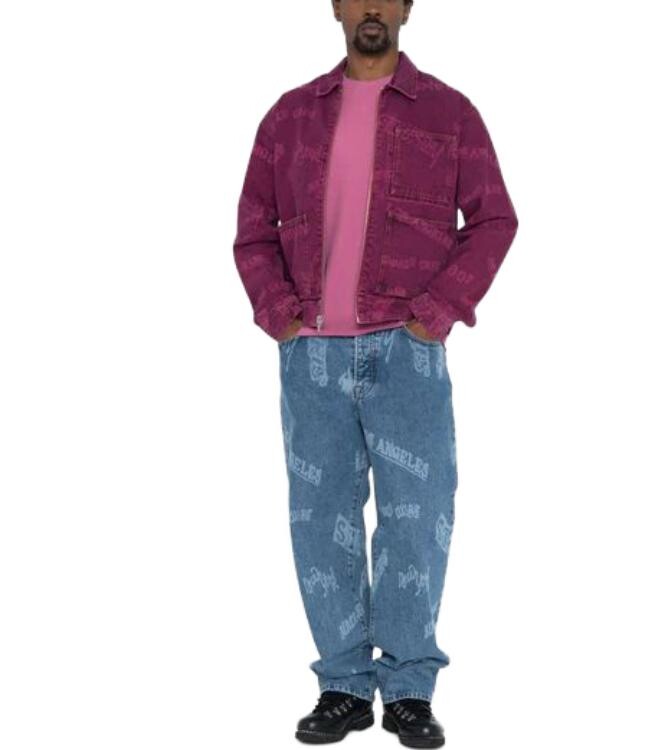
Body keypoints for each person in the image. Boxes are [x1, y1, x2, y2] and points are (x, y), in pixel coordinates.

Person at [232, 2, 518, 746]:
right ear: (335, 5)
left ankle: (411, 688)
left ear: (406, 7)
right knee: (318, 517)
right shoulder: (290, 116)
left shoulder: (449, 114)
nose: (371, 7)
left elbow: (494, 219)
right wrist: (281, 315)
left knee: (415, 518)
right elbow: (252, 230)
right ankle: (343, 686)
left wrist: (437, 312)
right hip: (312, 354)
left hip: (406, 351)